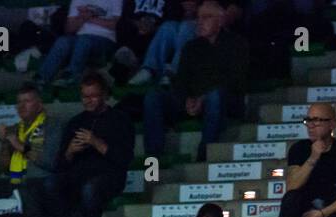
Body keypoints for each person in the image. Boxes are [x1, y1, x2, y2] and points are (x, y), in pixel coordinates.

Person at [36, 72, 134, 217]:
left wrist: (95, 142)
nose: (88, 101)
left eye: (93, 96)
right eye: (84, 97)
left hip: (110, 176)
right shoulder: (75, 122)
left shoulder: (120, 120)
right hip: (78, 174)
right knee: (50, 183)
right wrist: (70, 151)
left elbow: (124, 159)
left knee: (90, 189)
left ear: (104, 95)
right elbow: (60, 164)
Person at [142, 0, 246, 163]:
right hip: (194, 99)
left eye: (206, 17)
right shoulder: (191, 47)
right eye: (199, 17)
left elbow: (235, 80)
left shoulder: (236, 43)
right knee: (153, 97)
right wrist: (187, 99)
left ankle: (205, 153)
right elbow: (181, 80)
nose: (200, 22)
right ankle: (154, 158)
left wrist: (202, 98)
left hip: (224, 100)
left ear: (220, 21)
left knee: (215, 96)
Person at [37, 1, 122, 87]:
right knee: (62, 41)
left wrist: (90, 18)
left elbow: (117, 24)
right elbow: (69, 29)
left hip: (105, 39)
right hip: (79, 38)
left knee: (83, 41)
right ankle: (42, 78)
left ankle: (71, 76)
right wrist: (82, 18)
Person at [0, 84, 61, 191]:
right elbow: (5, 169)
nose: (21, 106)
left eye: (27, 101)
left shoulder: (52, 125)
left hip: (42, 180)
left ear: (39, 105)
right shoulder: (14, 129)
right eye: (19, 102)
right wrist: (4, 142)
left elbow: (49, 161)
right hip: (17, 182)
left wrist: (19, 145)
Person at [128, 0, 198, 85]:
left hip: (201, 25)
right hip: (183, 23)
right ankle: (149, 69)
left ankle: (173, 73)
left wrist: (196, 9)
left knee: (186, 27)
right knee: (167, 26)